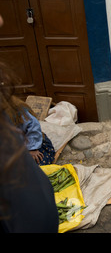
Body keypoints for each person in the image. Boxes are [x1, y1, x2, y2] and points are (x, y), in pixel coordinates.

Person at [0, 61, 59, 232]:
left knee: (41, 161)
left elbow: (34, 128)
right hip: (21, 147)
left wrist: (33, 148)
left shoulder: (16, 110)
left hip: (35, 143)